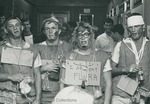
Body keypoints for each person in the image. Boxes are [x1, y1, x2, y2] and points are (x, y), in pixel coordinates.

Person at [61, 21, 112, 104]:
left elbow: (108, 84)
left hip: (96, 100)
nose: (83, 37)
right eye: (80, 35)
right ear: (76, 38)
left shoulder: (102, 56)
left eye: (86, 34)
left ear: (91, 36)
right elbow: (62, 83)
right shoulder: (69, 57)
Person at [0, 17, 42, 104]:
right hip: (6, 97)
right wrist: (10, 76)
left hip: (28, 98)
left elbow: (37, 75)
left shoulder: (32, 49)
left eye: (17, 25)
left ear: (22, 27)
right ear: (6, 30)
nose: (15, 28)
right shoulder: (2, 49)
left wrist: (38, 98)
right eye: (11, 26)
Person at [111, 13, 150, 104]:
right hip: (121, 94)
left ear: (143, 27)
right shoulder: (121, 45)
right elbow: (110, 69)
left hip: (143, 95)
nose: (133, 30)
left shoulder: (148, 46)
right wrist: (126, 69)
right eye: (131, 27)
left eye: (136, 26)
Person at [37, 14, 72, 104]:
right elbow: (29, 71)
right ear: (44, 32)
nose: (50, 31)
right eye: (47, 29)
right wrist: (45, 68)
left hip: (63, 93)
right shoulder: (37, 48)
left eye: (53, 28)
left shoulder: (68, 47)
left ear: (59, 31)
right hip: (42, 94)